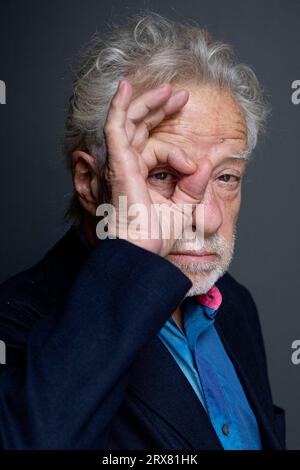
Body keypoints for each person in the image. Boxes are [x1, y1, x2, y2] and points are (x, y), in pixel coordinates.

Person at [0, 12, 285, 450]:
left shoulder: (236, 305)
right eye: (163, 175)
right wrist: (134, 243)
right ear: (90, 183)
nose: (207, 218)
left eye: (226, 177)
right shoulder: (17, 320)